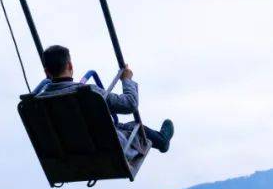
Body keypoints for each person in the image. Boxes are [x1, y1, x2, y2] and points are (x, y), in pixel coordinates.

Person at [37, 44, 175, 153]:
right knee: (135, 127)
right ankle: (162, 141)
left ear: (46, 72)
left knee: (120, 126)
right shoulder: (87, 93)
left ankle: (162, 141)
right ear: (70, 65)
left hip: (68, 150)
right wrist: (127, 80)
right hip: (103, 147)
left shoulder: (38, 103)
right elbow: (130, 104)